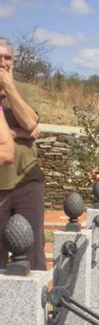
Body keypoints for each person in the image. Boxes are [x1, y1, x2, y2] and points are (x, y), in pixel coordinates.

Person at [0, 36, 46, 270]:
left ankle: (35, 305)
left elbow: (29, 123)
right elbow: (29, 130)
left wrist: (9, 88)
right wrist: (19, 132)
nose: (3, 63)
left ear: (13, 62)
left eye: (7, 57)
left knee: (32, 251)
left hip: (27, 184)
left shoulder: (27, 91)